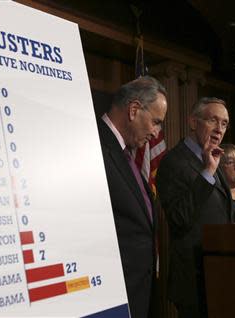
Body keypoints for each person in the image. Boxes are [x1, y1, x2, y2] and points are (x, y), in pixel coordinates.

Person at [97, 76, 167, 318]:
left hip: (137, 293)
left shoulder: (127, 154)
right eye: (156, 122)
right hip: (110, 297)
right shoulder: (93, 145)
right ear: (134, 109)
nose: (157, 133)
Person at [156, 97, 232, 318]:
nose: (219, 129)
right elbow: (179, 218)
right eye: (213, 121)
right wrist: (207, 172)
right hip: (193, 279)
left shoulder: (210, 157)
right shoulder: (173, 162)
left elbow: (220, 210)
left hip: (218, 272)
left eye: (225, 123)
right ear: (193, 122)